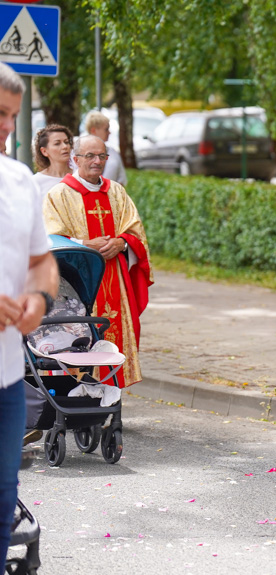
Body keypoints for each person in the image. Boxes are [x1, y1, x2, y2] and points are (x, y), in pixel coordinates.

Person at [0, 62, 59, 568]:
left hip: (6, 380)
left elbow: (43, 262)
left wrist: (38, 301)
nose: (6, 127)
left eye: (12, 116)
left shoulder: (19, 180)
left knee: (2, 505)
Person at [42, 135, 152, 388]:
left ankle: (113, 401)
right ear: (76, 159)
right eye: (89, 156)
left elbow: (135, 231)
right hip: (78, 281)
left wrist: (122, 243)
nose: (96, 162)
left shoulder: (116, 192)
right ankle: (76, 396)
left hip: (115, 280)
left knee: (118, 334)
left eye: (102, 156)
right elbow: (50, 238)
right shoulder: (59, 194)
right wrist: (83, 244)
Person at [83, 110, 127, 186]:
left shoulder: (113, 152)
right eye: (106, 129)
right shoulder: (79, 153)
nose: (109, 132)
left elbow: (121, 180)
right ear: (93, 130)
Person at [32, 124, 74, 196]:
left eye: (66, 142)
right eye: (57, 143)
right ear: (44, 151)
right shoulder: (36, 182)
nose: (65, 146)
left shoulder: (80, 176)